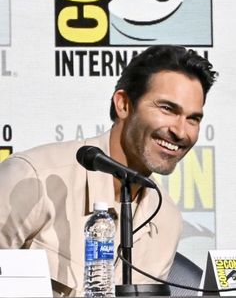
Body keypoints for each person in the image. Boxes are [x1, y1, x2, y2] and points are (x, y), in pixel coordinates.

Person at [0, 45, 217, 296]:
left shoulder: (166, 219)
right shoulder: (32, 177)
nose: (181, 131)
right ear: (123, 104)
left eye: (193, 118)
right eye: (167, 109)